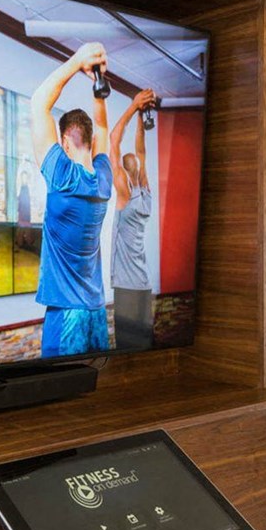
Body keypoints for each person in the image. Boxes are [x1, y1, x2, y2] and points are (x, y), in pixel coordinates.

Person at [30, 42, 113, 358]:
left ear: (64, 143)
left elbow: (40, 103)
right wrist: (98, 87)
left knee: (57, 398)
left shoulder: (62, 177)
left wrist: (78, 61)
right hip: (95, 312)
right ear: (91, 142)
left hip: (66, 314)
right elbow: (103, 125)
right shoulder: (103, 179)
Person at [110, 89, 157, 350]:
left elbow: (114, 140)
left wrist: (133, 105)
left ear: (123, 177)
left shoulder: (125, 196)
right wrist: (141, 116)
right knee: (144, 347)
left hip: (127, 290)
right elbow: (141, 150)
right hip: (143, 285)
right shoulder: (145, 193)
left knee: (127, 351)